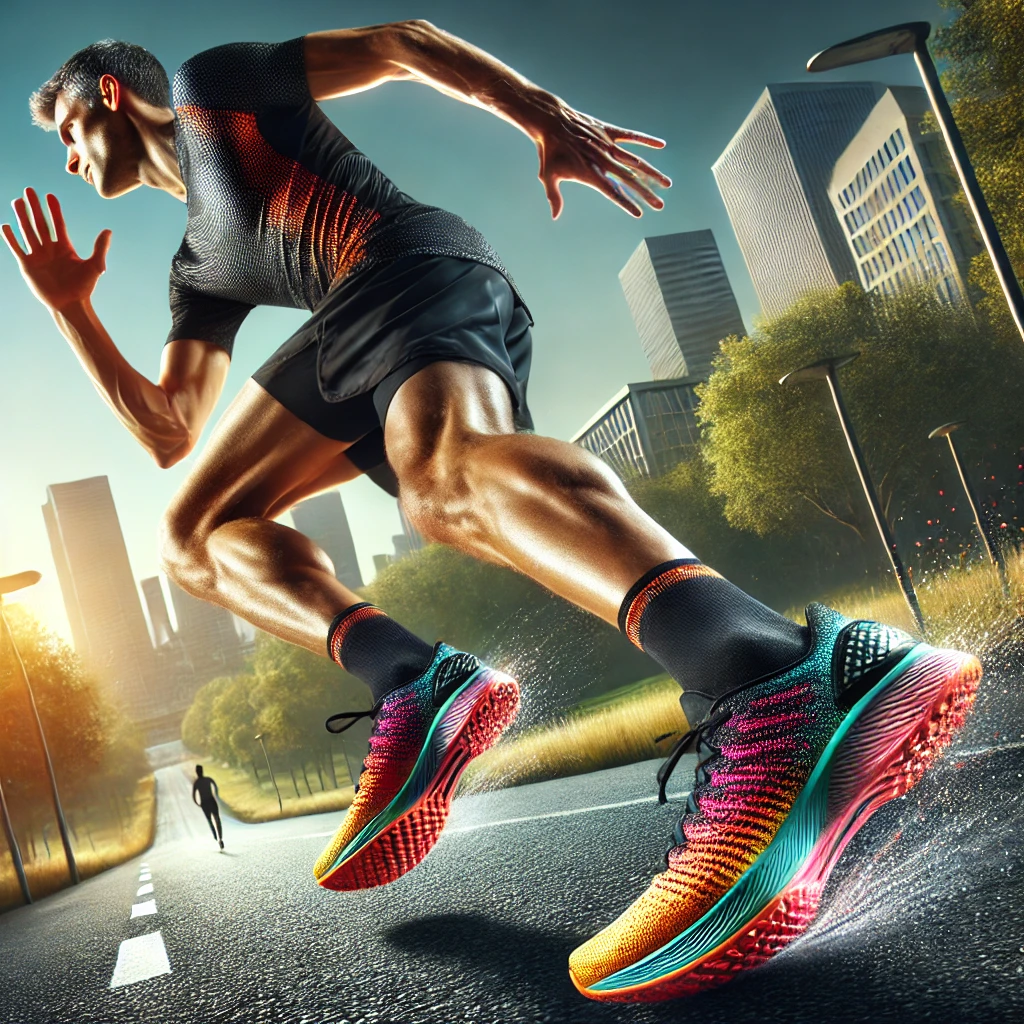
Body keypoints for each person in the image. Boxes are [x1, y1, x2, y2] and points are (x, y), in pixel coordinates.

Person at [3, 20, 980, 1002]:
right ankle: (417, 682)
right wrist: (73, 314)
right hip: (351, 326)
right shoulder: (199, 266)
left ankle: (767, 671)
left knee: (442, 477)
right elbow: (172, 430)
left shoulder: (213, 87)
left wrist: (541, 116)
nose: (72, 158)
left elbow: (398, 41)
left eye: (69, 134)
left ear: (109, 98)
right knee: (195, 531)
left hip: (411, 267)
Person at [192, 764, 224, 850]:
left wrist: (198, 803)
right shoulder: (208, 780)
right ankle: (219, 838)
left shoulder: (197, 783)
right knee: (216, 819)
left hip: (205, 803)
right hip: (211, 800)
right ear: (202, 771)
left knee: (210, 820)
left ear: (197, 772)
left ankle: (216, 837)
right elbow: (215, 786)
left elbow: (194, 796)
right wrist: (216, 795)